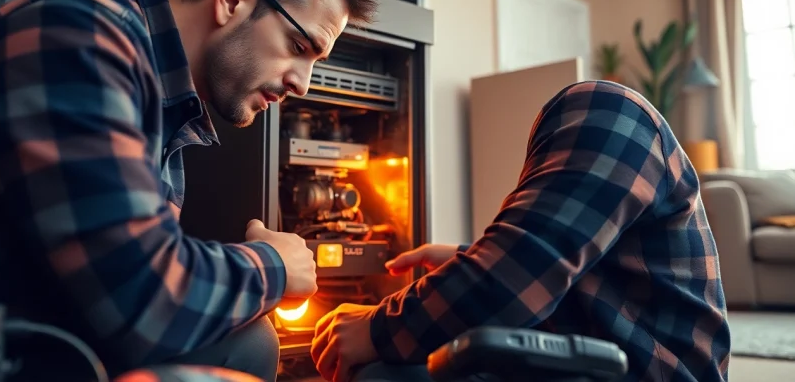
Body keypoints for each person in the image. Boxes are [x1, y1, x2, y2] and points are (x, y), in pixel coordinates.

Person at [0, 0, 375, 382]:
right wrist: (274, 264)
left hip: (25, 324)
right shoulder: (78, 36)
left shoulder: (161, 97)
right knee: (244, 345)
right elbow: (146, 299)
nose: (303, 85)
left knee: (245, 338)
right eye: (299, 46)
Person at [311, 80, 732, 382]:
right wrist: (470, 256)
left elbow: (515, 276)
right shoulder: (595, 121)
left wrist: (376, 328)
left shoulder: (608, 111)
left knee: (387, 374)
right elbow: (577, 270)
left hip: (647, 369)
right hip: (622, 350)